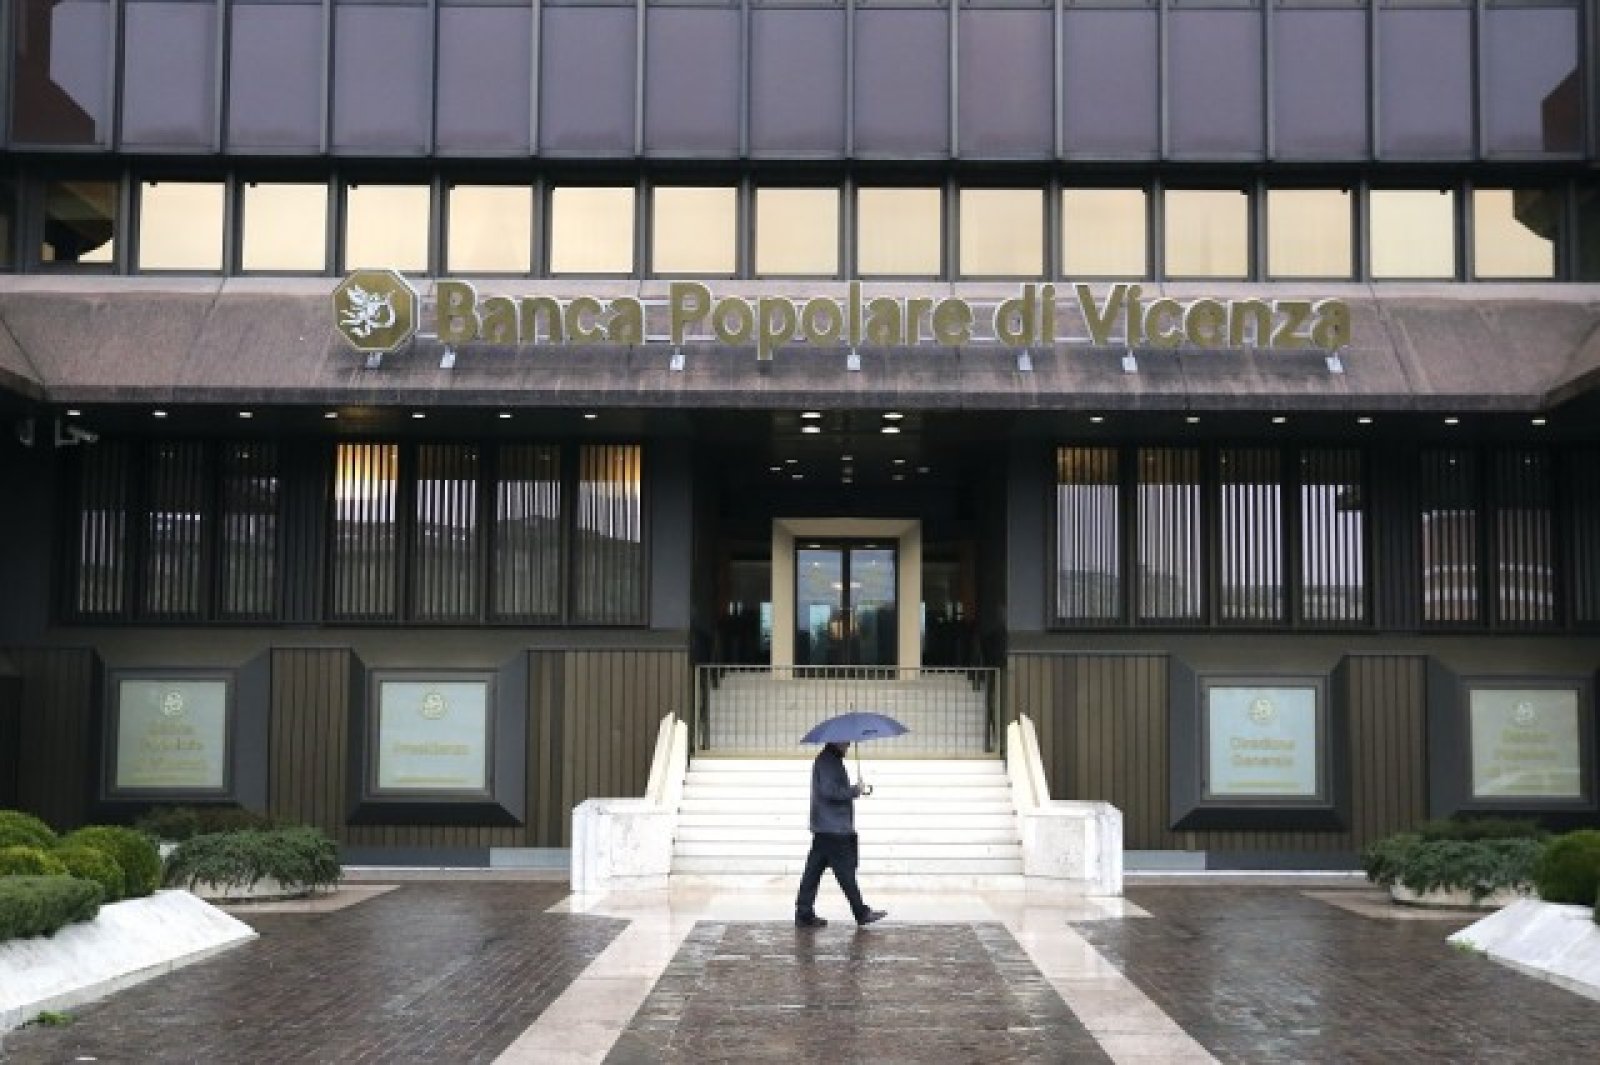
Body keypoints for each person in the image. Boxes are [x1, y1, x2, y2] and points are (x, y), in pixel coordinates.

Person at [794, 740, 887, 928]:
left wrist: (853, 790)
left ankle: (803, 913)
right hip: (834, 829)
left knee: (812, 872)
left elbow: (832, 790)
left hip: (825, 827)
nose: (848, 746)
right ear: (836, 742)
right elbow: (829, 791)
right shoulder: (827, 762)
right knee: (845, 873)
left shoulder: (829, 760)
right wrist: (854, 791)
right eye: (845, 743)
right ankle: (861, 912)